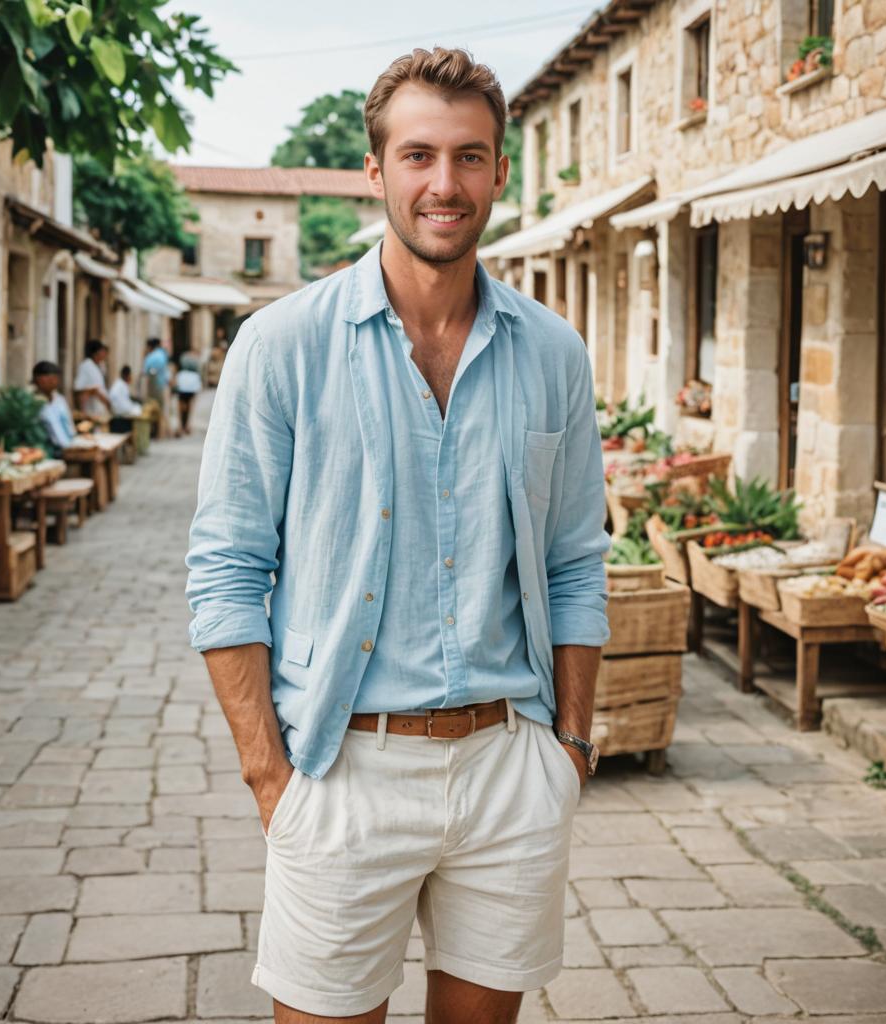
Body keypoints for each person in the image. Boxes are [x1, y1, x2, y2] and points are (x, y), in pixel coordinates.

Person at [186, 47, 608, 1024]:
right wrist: (270, 776)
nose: (443, 184)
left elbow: (575, 558)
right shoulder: (282, 344)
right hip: (343, 766)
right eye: (417, 155)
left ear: (501, 171)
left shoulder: (552, 352)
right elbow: (225, 569)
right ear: (374, 171)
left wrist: (572, 747)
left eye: (469, 156)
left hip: (509, 766)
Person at [32, 361, 76, 455]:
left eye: (56, 378)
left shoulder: (60, 400)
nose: (54, 382)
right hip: (47, 451)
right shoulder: (32, 403)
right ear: (38, 379)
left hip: (68, 446)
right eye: (50, 378)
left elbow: (69, 424)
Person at [74, 339, 111, 418]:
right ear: (96, 353)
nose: (104, 354)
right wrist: (94, 392)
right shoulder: (86, 366)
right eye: (102, 351)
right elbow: (79, 390)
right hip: (91, 413)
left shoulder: (100, 366)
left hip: (100, 412)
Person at [143, 337, 171, 438]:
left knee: (152, 408)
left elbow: (146, 372)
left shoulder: (150, 357)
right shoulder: (163, 355)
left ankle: (155, 433)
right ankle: (160, 433)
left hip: (153, 386)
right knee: (161, 409)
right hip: (162, 385)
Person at [173, 353, 203, 435]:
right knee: (191, 408)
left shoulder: (180, 374)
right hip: (191, 392)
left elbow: (176, 384)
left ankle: (180, 426)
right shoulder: (195, 375)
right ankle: (188, 425)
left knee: (180, 409)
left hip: (181, 392)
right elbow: (198, 388)